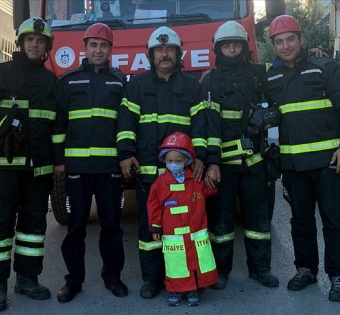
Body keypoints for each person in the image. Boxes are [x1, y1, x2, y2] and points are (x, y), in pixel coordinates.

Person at [265, 15, 340, 302]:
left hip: (329, 163)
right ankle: (305, 268)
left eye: (291, 39)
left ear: (302, 39)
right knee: (300, 221)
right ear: (273, 45)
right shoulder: (270, 77)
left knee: (334, 219)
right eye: (279, 42)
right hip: (293, 166)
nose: (286, 46)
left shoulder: (327, 68)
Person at [0, 17, 57, 312]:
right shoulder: (1, 74)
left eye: (41, 41)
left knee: (34, 227)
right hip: (4, 168)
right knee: (0, 225)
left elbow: (57, 126)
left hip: (39, 170)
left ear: (46, 47)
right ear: (20, 43)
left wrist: (57, 162)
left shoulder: (50, 82)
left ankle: (27, 279)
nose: (35, 44)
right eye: (30, 39)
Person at [116, 26, 207, 299]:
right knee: (150, 228)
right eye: (159, 50)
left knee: (186, 229)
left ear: (178, 54)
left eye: (169, 50)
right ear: (150, 55)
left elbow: (200, 126)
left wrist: (200, 157)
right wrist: (125, 153)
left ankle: (187, 279)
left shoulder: (192, 87)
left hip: (183, 174)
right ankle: (151, 279)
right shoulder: (136, 85)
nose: (164, 55)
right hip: (148, 172)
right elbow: (126, 124)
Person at [200, 21, 279, 290]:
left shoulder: (261, 73)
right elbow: (209, 124)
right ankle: (221, 271)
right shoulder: (209, 79)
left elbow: (287, 82)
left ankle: (260, 269)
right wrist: (212, 163)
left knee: (258, 221)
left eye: (236, 45)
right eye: (226, 46)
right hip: (223, 165)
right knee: (220, 224)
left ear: (245, 48)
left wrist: (314, 56)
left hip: (255, 162)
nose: (232, 50)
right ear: (218, 49)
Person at [53, 23, 128, 303]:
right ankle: (73, 281)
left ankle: (113, 277)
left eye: (104, 45)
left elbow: (125, 124)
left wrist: (123, 159)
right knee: (76, 227)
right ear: (84, 48)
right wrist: (59, 160)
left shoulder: (120, 82)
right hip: (77, 170)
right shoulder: (68, 80)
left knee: (111, 226)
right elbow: (59, 122)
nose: (98, 50)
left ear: (110, 50)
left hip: (110, 170)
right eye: (93, 45)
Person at [147, 132, 218, 307]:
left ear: (186, 161)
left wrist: (212, 181)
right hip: (173, 236)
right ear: (164, 160)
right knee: (175, 264)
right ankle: (174, 291)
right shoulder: (160, 182)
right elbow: (153, 204)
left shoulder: (195, 180)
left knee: (194, 262)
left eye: (178, 161)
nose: (173, 164)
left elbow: (208, 191)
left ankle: (193, 289)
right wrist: (155, 226)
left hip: (194, 234)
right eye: (169, 161)